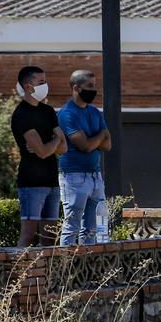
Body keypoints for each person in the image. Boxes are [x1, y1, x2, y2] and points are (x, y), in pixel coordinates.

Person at [10, 65, 66, 246]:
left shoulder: (48, 111)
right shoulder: (21, 114)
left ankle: (47, 274)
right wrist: (55, 140)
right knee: (28, 234)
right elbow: (42, 152)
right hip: (31, 183)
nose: (45, 85)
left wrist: (53, 143)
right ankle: (19, 273)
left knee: (50, 237)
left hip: (51, 181)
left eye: (45, 81)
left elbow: (63, 147)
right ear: (28, 86)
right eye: (41, 82)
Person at [57, 69, 111, 246]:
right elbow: (85, 146)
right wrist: (100, 137)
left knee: (92, 228)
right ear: (76, 87)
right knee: (72, 226)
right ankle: (65, 267)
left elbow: (108, 145)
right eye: (89, 86)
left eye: (94, 86)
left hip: (95, 176)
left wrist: (96, 139)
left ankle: (85, 267)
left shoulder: (94, 112)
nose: (94, 90)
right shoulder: (67, 114)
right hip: (73, 176)